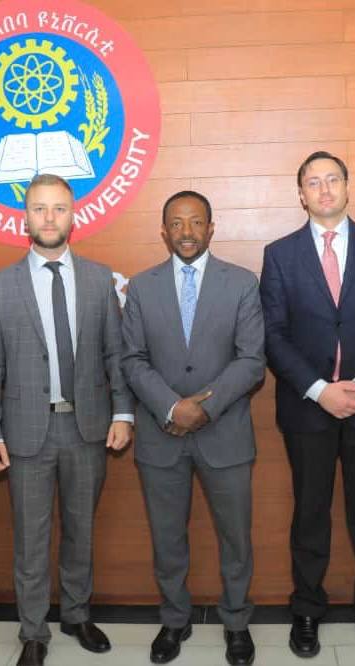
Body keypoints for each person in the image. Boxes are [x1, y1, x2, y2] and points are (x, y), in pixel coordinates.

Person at [0, 174, 134, 666]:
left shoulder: (99, 279)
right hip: (26, 433)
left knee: (80, 531)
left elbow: (115, 353)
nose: (49, 218)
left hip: (87, 428)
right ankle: (33, 631)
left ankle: (77, 614)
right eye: (40, 209)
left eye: (59, 208)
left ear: (73, 215)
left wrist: (123, 411)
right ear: (25, 216)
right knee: (31, 538)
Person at [259, 151, 355, 659]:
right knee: (310, 512)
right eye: (313, 182)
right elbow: (273, 334)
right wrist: (319, 389)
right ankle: (307, 609)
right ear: (300, 194)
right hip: (308, 407)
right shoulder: (279, 254)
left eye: (332, 180)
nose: (324, 189)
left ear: (348, 187)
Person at [121, 191, 265, 666]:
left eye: (196, 222)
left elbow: (252, 360)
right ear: (164, 231)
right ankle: (174, 619)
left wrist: (205, 407)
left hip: (226, 433)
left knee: (235, 538)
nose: (186, 232)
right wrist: (171, 407)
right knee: (167, 539)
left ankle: (237, 622)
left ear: (211, 228)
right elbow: (132, 359)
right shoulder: (141, 287)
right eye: (177, 223)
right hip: (161, 435)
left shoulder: (241, 283)